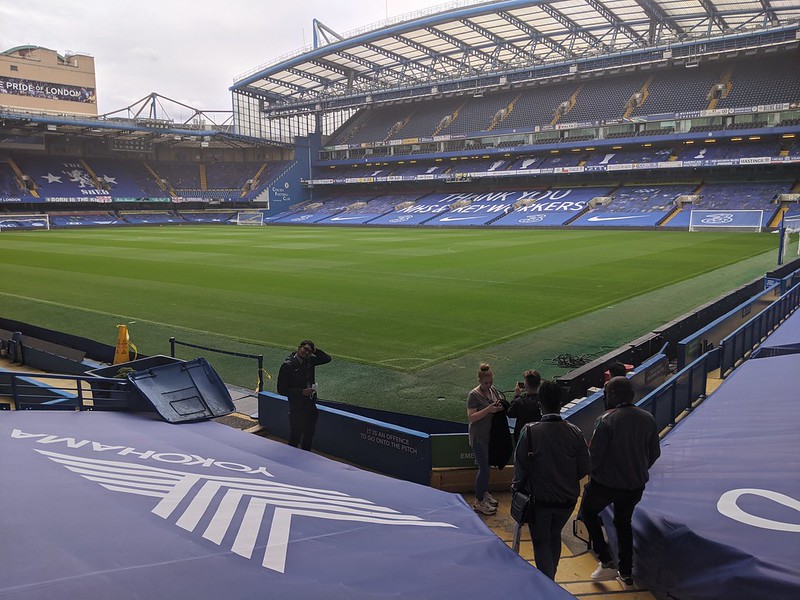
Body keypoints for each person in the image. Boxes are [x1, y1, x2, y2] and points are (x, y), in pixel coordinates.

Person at [581, 376, 661, 587]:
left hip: (605, 486)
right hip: (634, 487)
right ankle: (626, 573)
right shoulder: (648, 418)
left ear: (613, 396)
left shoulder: (606, 420)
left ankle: (606, 560)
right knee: (623, 523)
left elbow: (594, 459)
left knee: (587, 513)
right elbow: (654, 453)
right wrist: (636, 470)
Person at [512, 380, 591, 580]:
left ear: (540, 403)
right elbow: (584, 467)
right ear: (560, 402)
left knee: (541, 542)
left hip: (540, 503)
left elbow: (520, 470)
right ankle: (551, 582)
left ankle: (548, 587)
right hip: (566, 502)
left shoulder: (530, 432)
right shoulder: (575, 432)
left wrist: (517, 491)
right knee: (554, 536)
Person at [467, 363, 508, 515]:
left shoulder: (492, 390)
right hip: (479, 437)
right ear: (479, 381)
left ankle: (483, 492)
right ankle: (478, 501)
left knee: (487, 469)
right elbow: (471, 417)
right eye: (486, 383)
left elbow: (494, 405)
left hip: (490, 435)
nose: (488, 385)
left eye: (490, 382)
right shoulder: (473, 395)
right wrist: (489, 410)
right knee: (484, 469)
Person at [277, 339, 332, 451]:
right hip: (297, 407)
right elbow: (281, 390)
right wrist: (301, 392)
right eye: (305, 349)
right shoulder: (287, 366)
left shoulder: (310, 360)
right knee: (295, 437)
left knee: (309, 436)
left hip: (310, 406)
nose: (306, 352)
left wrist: (315, 350)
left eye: (309, 351)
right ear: (299, 347)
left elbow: (327, 358)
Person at [508, 369, 542, 443]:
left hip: (523, 438)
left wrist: (516, 396)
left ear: (526, 385)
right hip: (540, 437)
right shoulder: (544, 400)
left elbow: (510, 413)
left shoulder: (519, 402)